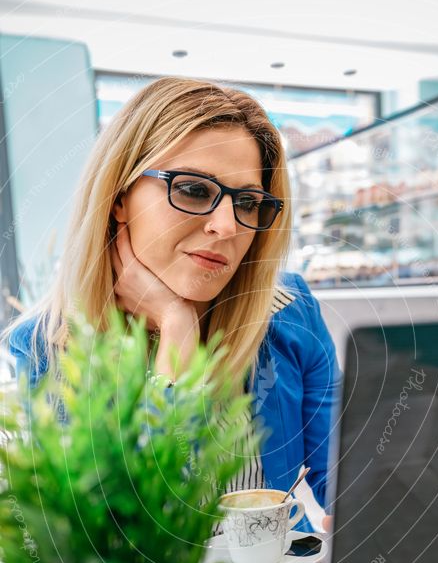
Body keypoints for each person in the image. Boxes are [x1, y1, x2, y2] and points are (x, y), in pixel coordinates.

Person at [3, 76, 342, 532]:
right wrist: (177, 336)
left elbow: (343, 479)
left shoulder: (290, 311)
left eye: (247, 201)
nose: (226, 226)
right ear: (119, 197)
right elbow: (106, 539)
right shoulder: (50, 345)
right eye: (194, 189)